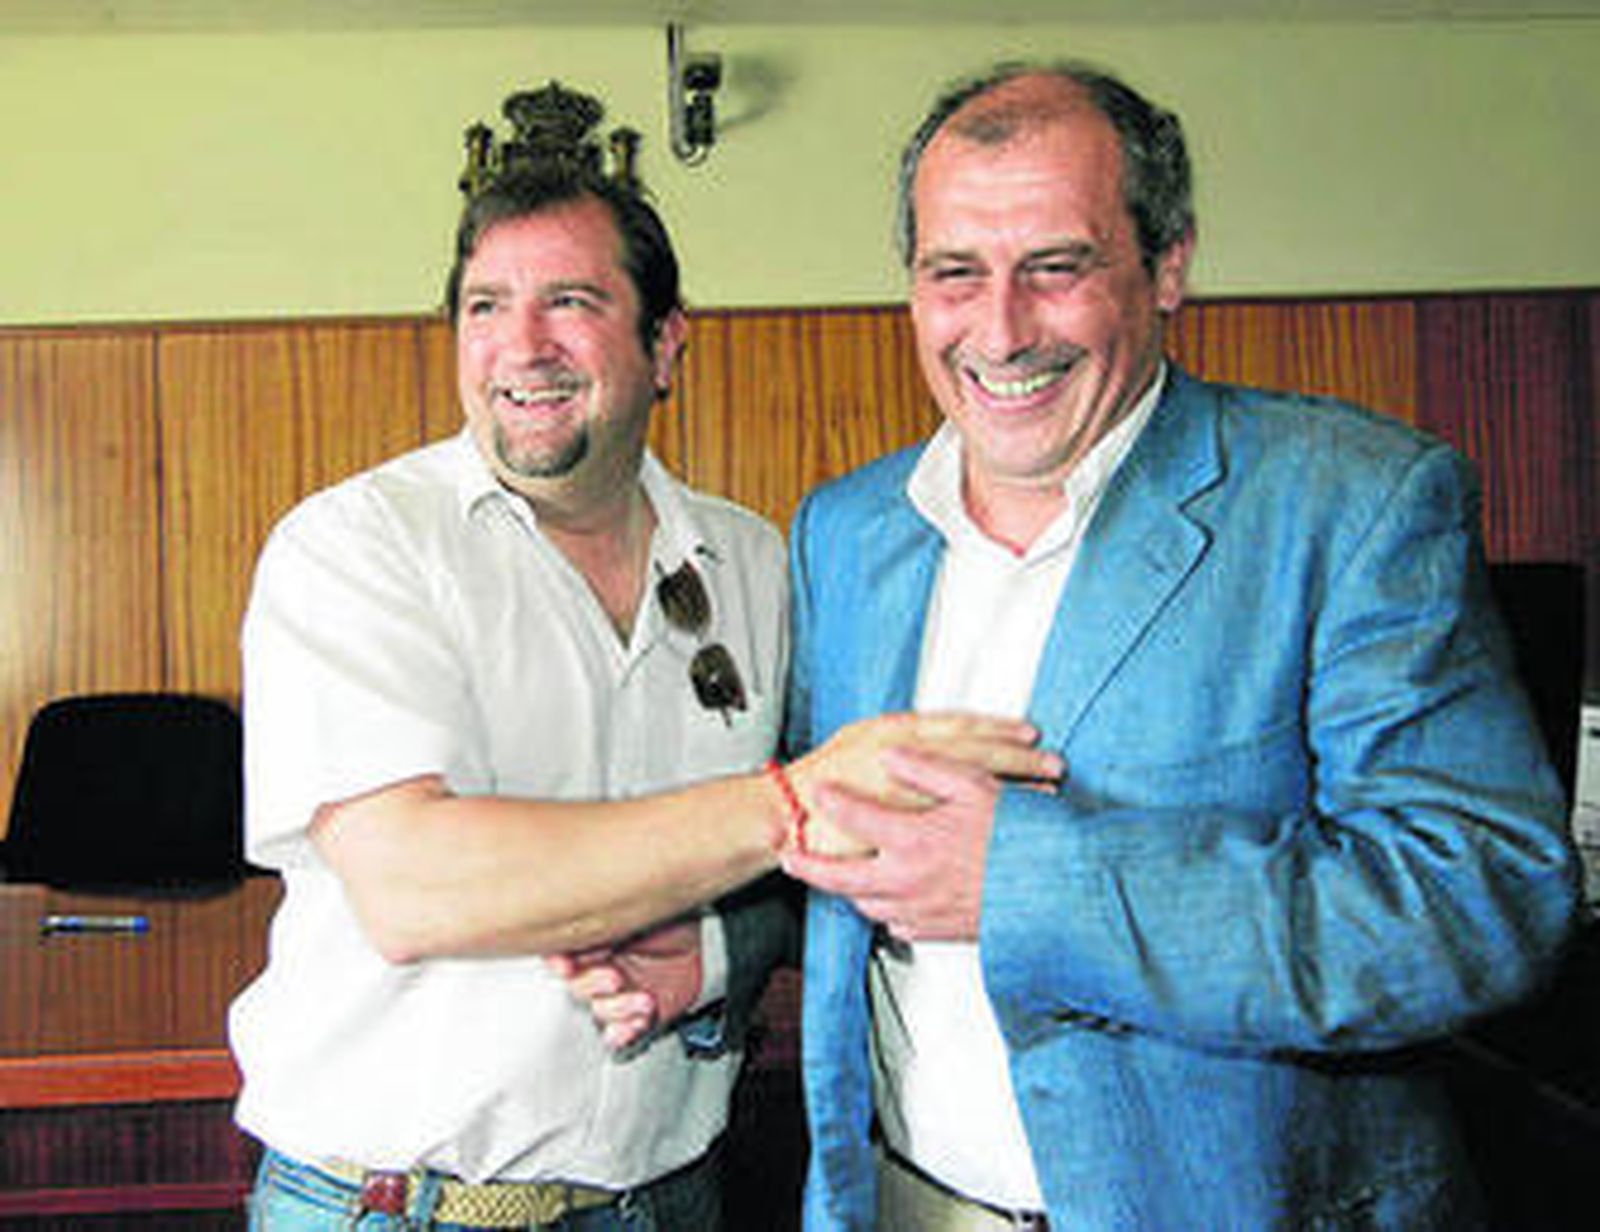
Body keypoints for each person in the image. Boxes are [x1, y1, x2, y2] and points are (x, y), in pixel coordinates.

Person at [776, 61, 1582, 1231]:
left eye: (1055, 267)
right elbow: (829, 840)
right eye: (954, 271)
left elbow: (1482, 899)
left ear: (1167, 268)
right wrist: (699, 958)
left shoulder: (1352, 501)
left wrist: (1025, 883)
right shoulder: (843, 531)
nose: (998, 329)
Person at [227, 132, 1058, 1231]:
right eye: (484, 306)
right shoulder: (355, 546)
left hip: (673, 1197)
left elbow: (808, 880)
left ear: (665, 344)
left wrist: (717, 951)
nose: (521, 346)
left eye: (569, 300)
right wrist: (790, 801)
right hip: (394, 1207)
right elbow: (413, 886)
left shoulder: (759, 562)